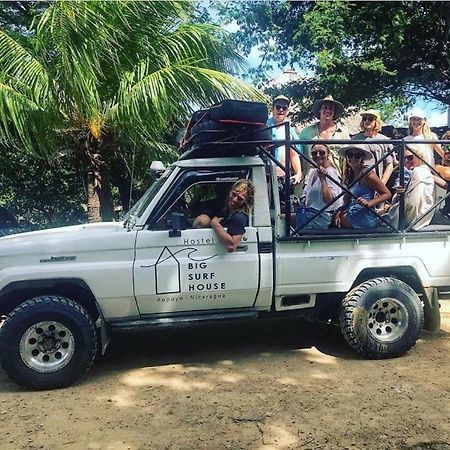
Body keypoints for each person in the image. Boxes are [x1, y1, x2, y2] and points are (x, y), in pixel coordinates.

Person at [333, 144, 391, 229]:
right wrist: (339, 211)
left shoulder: (368, 174)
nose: (353, 158)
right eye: (350, 155)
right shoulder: (350, 174)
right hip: (350, 216)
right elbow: (347, 200)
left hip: (363, 218)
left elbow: (387, 194)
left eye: (357, 156)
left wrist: (369, 203)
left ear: (362, 158)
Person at [194, 179, 255, 253]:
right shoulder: (222, 207)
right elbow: (193, 208)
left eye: (240, 199)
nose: (234, 200)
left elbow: (231, 246)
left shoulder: (239, 217)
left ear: (245, 201)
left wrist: (215, 224)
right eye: (234, 194)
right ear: (230, 191)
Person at [297, 95, 350, 179]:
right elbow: (297, 154)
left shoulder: (343, 134)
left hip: (336, 180)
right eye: (325, 107)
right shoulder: (306, 132)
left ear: (334, 112)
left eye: (331, 108)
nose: (328, 110)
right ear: (320, 110)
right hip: (311, 179)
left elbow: (348, 160)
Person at [384, 144, 434, 230]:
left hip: (416, 217)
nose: (406, 161)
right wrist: (399, 194)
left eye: (410, 157)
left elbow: (415, 202)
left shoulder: (420, 172)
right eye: (404, 158)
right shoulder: (406, 173)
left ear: (419, 157)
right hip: (407, 217)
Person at [299, 143, 342, 229]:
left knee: (284, 221)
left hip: (322, 216)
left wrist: (323, 180)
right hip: (309, 213)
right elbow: (306, 194)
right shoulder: (314, 171)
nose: (318, 155)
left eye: (322, 153)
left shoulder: (330, 173)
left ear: (328, 154)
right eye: (314, 153)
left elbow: (329, 200)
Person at [266, 95, 303, 185]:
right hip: (267, 176)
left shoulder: (290, 130)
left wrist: (298, 173)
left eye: (284, 108)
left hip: (286, 177)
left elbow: (294, 153)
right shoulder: (265, 127)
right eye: (278, 107)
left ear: (287, 111)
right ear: (272, 109)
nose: (281, 110)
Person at [351, 109, 394, 185]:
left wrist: (382, 184)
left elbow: (389, 164)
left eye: (370, 119)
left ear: (376, 121)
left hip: (376, 182)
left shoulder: (384, 140)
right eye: (364, 119)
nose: (367, 121)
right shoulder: (354, 139)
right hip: (356, 182)